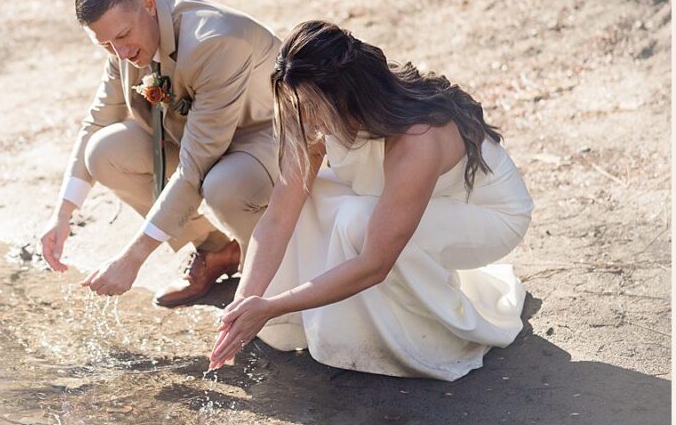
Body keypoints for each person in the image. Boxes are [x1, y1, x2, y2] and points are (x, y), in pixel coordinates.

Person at [210, 20, 533, 381]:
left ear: (347, 96)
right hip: (404, 201)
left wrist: (270, 306)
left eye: (313, 108)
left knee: (357, 221)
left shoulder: (417, 138)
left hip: (490, 218)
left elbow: (375, 263)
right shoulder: (312, 110)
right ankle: (303, 323)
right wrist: (242, 305)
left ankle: (424, 338)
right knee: (308, 198)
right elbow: (278, 218)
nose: (306, 119)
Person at [40, 0, 281, 306]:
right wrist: (62, 213)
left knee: (224, 185)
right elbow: (98, 119)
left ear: (149, 5)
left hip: (265, 137)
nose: (119, 53)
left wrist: (133, 258)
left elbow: (196, 164)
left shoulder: (215, 41)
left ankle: (265, 279)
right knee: (104, 152)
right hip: (196, 137)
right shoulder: (121, 43)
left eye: (123, 36)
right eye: (105, 43)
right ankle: (215, 251)